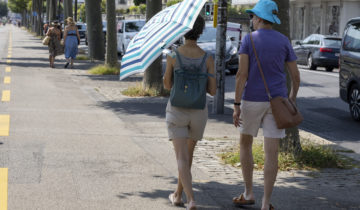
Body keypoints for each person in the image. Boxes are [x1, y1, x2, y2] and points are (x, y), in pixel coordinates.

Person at [232, 0, 300, 210]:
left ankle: (248, 192)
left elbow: (242, 75)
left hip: (252, 99)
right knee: (272, 153)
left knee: (245, 144)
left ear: (260, 18)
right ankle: (265, 203)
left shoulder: (249, 40)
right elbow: (295, 77)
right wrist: (291, 98)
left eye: (253, 16)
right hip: (277, 101)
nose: (251, 20)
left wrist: (236, 104)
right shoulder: (284, 40)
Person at [163, 15, 216, 210]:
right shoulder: (207, 57)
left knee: (181, 158)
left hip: (177, 110)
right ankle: (177, 195)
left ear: (183, 31)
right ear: (201, 31)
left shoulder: (173, 55)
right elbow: (213, 90)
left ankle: (191, 199)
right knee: (187, 157)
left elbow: (168, 85)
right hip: (198, 112)